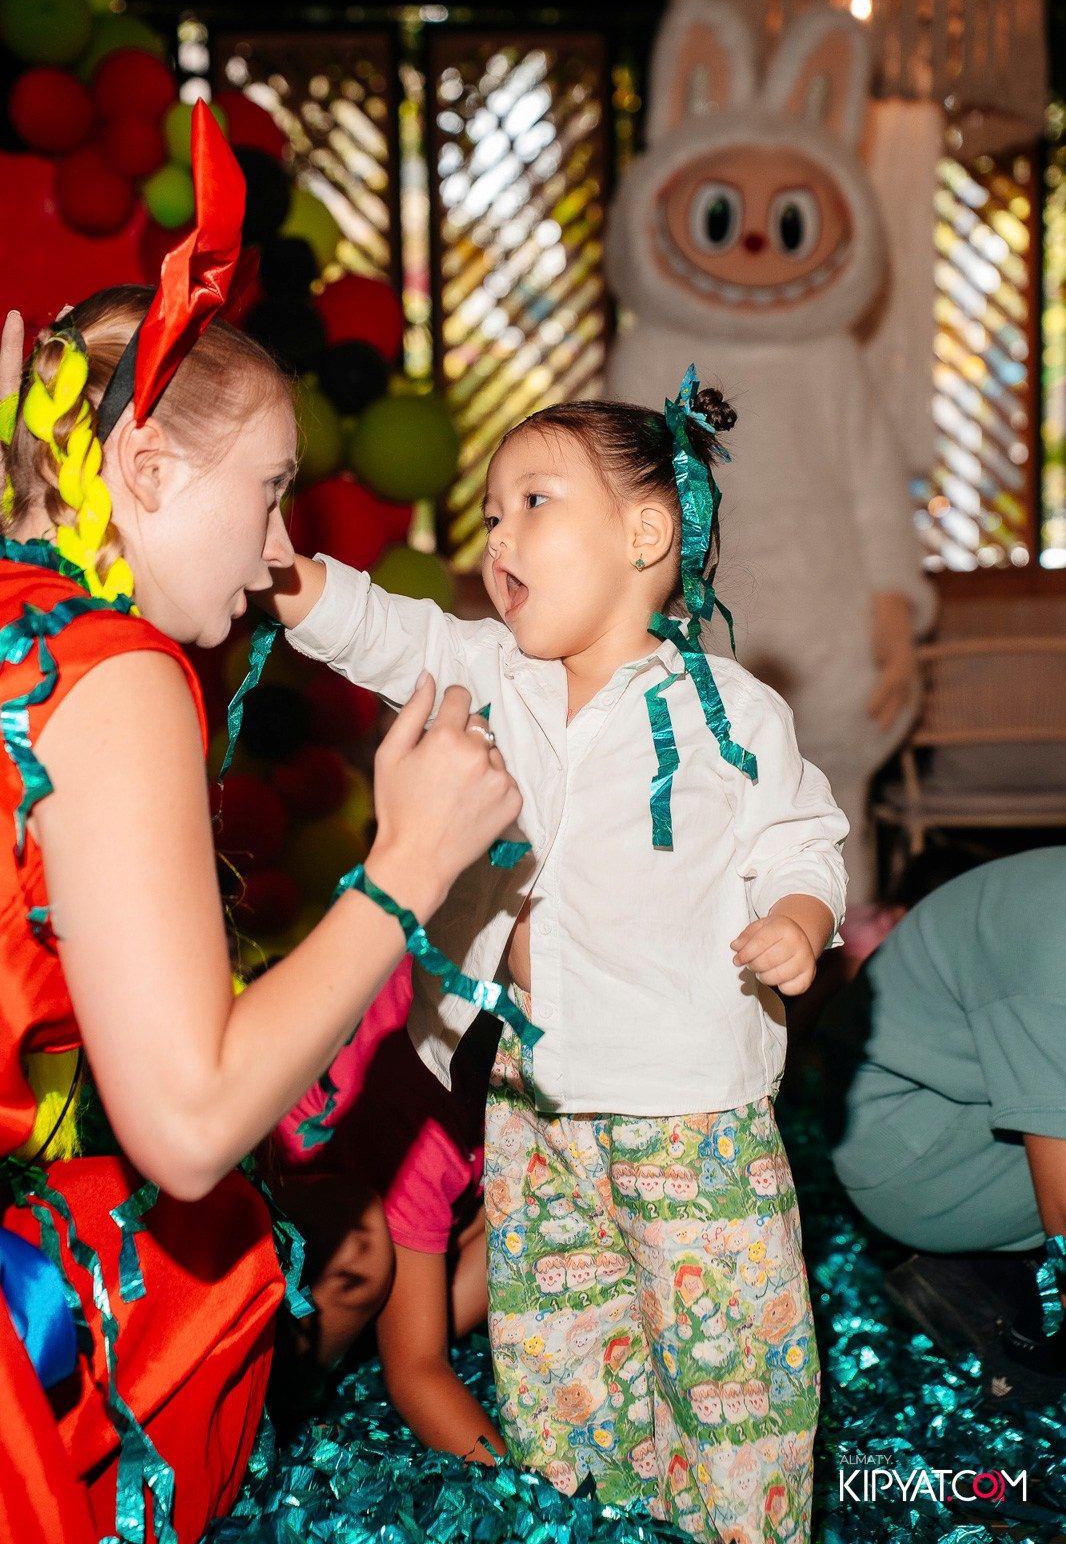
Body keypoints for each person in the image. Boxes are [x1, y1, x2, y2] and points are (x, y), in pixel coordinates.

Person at [262, 370, 849, 1543]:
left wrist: (800, 915)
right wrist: (288, 571)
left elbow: (804, 838)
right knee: (559, 1356)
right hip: (533, 1103)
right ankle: (598, 1513)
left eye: (532, 500)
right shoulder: (502, 676)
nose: (496, 536)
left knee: (729, 1372)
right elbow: (395, 633)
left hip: (692, 1115)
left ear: (645, 533)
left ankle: (740, 1525)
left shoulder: (729, 709)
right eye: (486, 513)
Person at [0, 218, 520, 1543]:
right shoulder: (110, 672)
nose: (275, 543)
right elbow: (185, 1127)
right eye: (270, 487)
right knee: (225, 1237)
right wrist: (405, 868)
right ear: (147, 464)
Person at [819, 846, 1066, 1406]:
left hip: (945, 1110)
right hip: (915, 1156)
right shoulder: (1056, 947)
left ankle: (999, 1271)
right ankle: (1032, 1328)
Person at [271, 959, 505, 1462]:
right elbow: (418, 1373)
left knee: (520, 1217)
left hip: (410, 1206)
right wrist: (527, 1498)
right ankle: (282, 1405)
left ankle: (376, 1344)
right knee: (362, 1244)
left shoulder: (469, 1005)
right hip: (280, 1280)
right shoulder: (424, 1100)